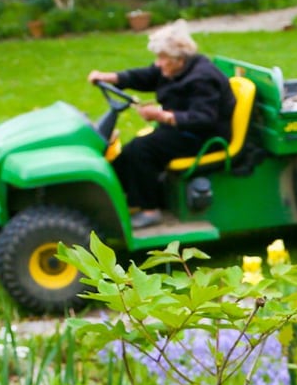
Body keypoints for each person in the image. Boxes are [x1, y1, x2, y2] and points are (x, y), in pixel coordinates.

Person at [87, 19, 236, 229]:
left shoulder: (202, 78)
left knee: (143, 150)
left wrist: (162, 116)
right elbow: (144, 76)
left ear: (179, 58)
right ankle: (115, 200)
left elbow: (203, 118)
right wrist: (106, 77)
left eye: (162, 57)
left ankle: (150, 210)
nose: (158, 63)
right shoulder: (173, 69)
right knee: (129, 153)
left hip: (203, 138)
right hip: (182, 131)